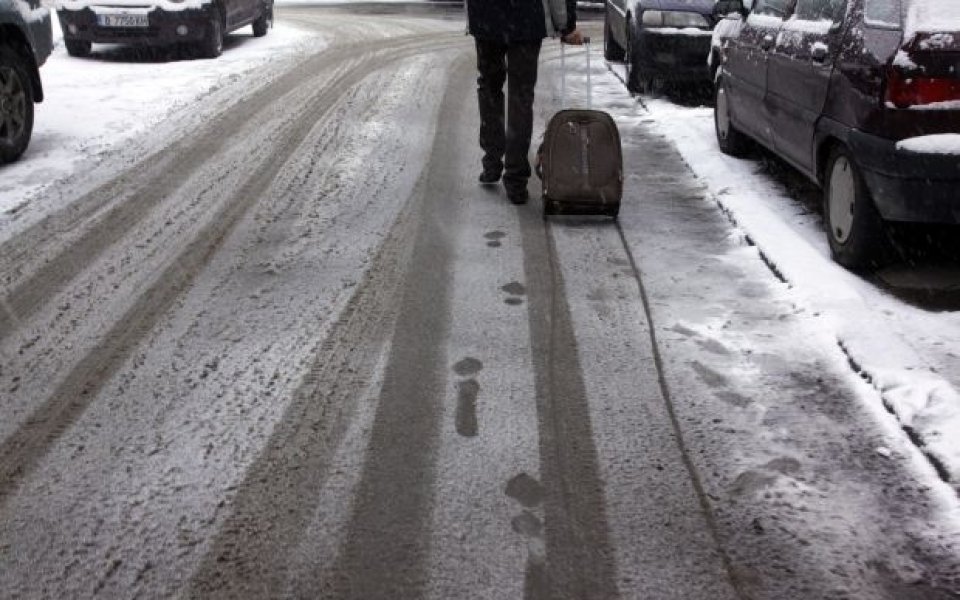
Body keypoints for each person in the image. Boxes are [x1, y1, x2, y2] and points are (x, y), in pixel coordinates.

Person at [466, 0, 582, 204]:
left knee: (489, 86)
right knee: (521, 96)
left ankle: (492, 162)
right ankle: (515, 178)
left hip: (485, 14)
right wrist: (566, 25)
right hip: (526, 18)